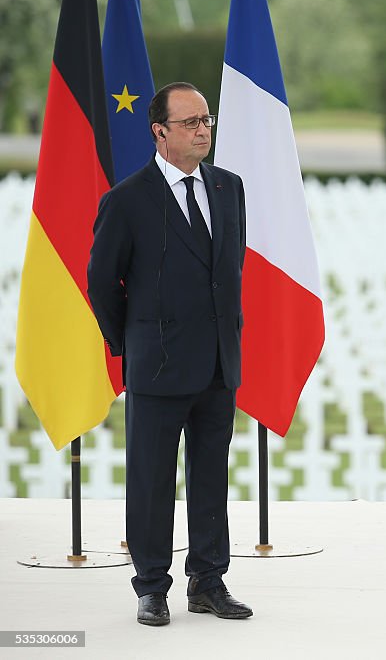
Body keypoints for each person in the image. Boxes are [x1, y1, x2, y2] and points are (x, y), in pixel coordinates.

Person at [88, 82, 251, 626]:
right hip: (157, 364)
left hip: (217, 363)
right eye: (190, 122)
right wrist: (131, 342)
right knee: (152, 480)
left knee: (211, 477)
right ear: (159, 132)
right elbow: (101, 283)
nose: (203, 129)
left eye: (207, 119)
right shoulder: (127, 200)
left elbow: (227, 276)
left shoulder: (230, 189)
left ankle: (208, 580)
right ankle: (151, 586)